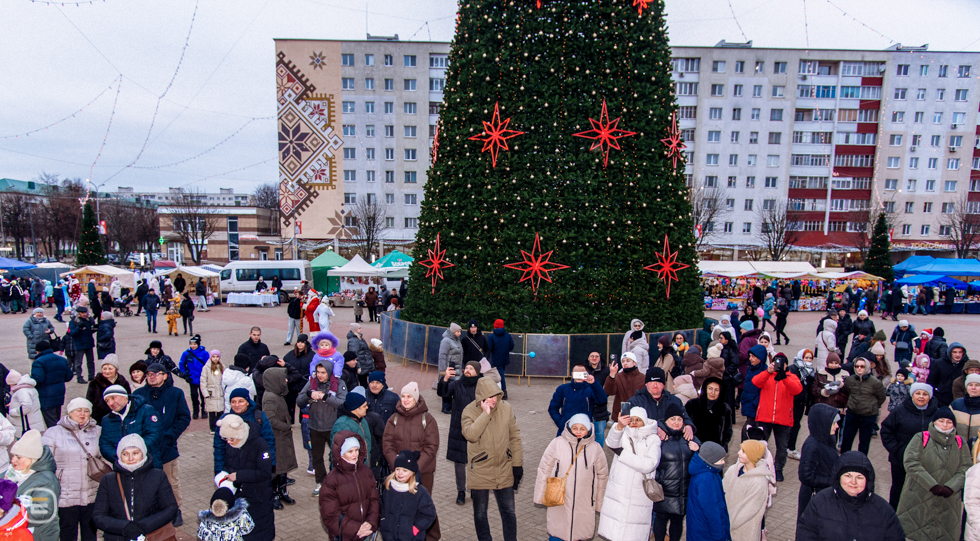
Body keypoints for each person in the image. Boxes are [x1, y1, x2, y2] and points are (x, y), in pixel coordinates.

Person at [461, 377, 522, 541]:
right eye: (489, 397)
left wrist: (517, 465)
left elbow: (515, 437)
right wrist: (485, 414)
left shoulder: (506, 408)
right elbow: (471, 435)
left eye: (495, 396)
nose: (493, 400)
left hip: (504, 468)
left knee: (509, 511)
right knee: (480, 512)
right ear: (481, 396)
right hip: (480, 470)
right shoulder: (469, 411)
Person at [897, 408, 971, 541]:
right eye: (941, 421)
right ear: (934, 422)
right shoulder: (921, 438)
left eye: (949, 422)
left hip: (949, 501)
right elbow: (911, 463)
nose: (944, 425)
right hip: (919, 496)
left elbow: (965, 468)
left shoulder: (960, 443)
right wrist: (932, 485)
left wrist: (951, 487)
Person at [796, 451, 905, 541]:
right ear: (838, 478)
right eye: (848, 475)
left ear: (868, 481)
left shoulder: (883, 510)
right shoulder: (820, 503)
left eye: (859, 477)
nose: (853, 482)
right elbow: (805, 535)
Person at [533, 413, 608, 541]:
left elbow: (602, 476)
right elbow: (544, 470)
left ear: (588, 429)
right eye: (575, 428)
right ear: (569, 428)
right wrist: (540, 496)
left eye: (582, 428)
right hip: (559, 499)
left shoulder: (595, 449)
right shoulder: (557, 444)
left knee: (581, 533)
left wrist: (600, 503)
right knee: (557, 533)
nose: (578, 432)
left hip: (584, 501)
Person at [382, 382, 441, 541]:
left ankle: (432, 536)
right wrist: (398, 465)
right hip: (399, 471)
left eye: (409, 396)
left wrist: (415, 468)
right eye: (403, 396)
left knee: (424, 504)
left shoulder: (427, 419)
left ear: (416, 398)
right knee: (400, 506)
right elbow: (387, 444)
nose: (406, 400)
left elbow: (432, 446)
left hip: (423, 471)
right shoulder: (393, 419)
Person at [133, 363, 190, 526]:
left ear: (165, 376)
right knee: (145, 483)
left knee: (171, 481)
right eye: (149, 374)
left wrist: (171, 435)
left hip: (167, 448)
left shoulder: (175, 393)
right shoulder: (138, 394)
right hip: (145, 449)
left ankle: (175, 510)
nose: (152, 376)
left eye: (156, 373)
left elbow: (184, 417)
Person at [92, 434, 179, 541]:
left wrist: (143, 526)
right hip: (117, 537)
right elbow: (98, 516)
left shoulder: (158, 476)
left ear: (143, 453)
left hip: (151, 535)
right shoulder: (108, 480)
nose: (130, 458)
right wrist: (125, 527)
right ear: (119, 455)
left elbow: (170, 508)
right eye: (125, 454)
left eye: (135, 453)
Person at [41, 397, 102, 541]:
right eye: (78, 410)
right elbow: (45, 461)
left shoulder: (98, 431)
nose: (82, 414)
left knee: (90, 533)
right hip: (65, 493)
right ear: (70, 412)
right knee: (67, 532)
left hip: (91, 492)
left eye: (86, 411)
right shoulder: (53, 432)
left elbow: (103, 457)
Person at [596, 406, 659, 541]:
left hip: (639, 493)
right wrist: (618, 426)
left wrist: (623, 455)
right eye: (632, 419)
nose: (634, 423)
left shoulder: (653, 439)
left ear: (645, 421)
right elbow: (611, 443)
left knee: (633, 533)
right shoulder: (624, 433)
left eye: (638, 420)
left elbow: (649, 465)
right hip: (619, 489)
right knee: (615, 530)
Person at [216, 414, 275, 541]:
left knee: (260, 531)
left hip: (259, 497)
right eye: (226, 439)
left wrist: (238, 476)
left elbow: (264, 473)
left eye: (231, 439)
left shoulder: (260, 444)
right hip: (239, 496)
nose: (229, 442)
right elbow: (228, 464)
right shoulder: (231, 444)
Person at [881, 382, 938, 509]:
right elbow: (886, 431)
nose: (921, 397)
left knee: (923, 489)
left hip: (927, 461)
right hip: (901, 460)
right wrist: (896, 449)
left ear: (930, 396)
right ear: (912, 395)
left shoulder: (937, 413)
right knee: (899, 488)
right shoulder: (900, 411)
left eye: (925, 394)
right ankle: (894, 515)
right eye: (918, 393)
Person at [652, 403, 701, 541]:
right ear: (665, 420)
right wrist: (658, 479)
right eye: (672, 419)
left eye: (679, 419)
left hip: (683, 491)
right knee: (661, 520)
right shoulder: (659, 437)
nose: (676, 422)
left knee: (677, 522)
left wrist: (698, 449)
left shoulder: (689, 437)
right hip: (664, 491)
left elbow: (703, 460)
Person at [751, 351, 803, 481]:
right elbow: (756, 382)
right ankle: (759, 466)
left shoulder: (791, 377)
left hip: (783, 418)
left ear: (786, 365)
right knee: (761, 444)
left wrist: (784, 376)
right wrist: (768, 372)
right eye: (776, 362)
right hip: (765, 416)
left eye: (781, 363)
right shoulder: (767, 375)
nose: (778, 365)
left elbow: (797, 390)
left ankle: (778, 468)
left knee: (782, 446)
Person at [297, 361, 346, 497]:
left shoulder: (339, 383)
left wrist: (325, 397)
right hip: (315, 426)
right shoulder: (312, 382)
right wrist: (308, 395)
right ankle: (321, 482)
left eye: (323, 372)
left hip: (333, 427)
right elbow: (299, 401)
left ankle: (337, 483)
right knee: (317, 457)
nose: (319, 375)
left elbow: (342, 404)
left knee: (336, 456)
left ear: (329, 372)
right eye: (318, 372)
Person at [319, 433, 380, 540]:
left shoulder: (367, 472)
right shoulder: (331, 480)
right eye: (350, 451)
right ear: (341, 454)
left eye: (356, 450)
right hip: (345, 535)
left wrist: (370, 522)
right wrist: (356, 529)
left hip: (366, 532)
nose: (355, 454)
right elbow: (330, 515)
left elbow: (374, 500)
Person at [438, 362, 482, 506]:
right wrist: (445, 380)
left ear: (477, 372)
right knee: (459, 461)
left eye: (471, 369)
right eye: (467, 368)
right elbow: (443, 393)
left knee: (476, 460)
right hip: (458, 427)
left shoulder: (482, 386)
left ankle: (475, 489)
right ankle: (461, 491)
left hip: (477, 428)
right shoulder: (457, 384)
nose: (468, 371)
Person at [8, 429, 61, 541]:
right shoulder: (13, 474)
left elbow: (43, 510)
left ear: (32, 458)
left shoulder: (46, 480)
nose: (12, 460)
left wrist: (8, 511)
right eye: (12, 456)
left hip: (38, 536)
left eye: (18, 457)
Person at [379, 450, 438, 541]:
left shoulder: (420, 492)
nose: (400, 473)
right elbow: (383, 508)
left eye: (404, 470)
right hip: (389, 536)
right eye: (397, 469)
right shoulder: (388, 488)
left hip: (411, 537)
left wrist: (417, 527)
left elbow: (429, 514)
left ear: (412, 472)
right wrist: (384, 523)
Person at [261, 367, 297, 508]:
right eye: (283, 378)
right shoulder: (270, 397)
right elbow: (268, 419)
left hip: (282, 438)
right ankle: (274, 494)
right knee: (276, 468)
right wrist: (285, 426)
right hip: (277, 437)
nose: (286, 380)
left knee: (283, 467)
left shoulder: (277, 394)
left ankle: (282, 491)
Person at [796, 403, 840, 518]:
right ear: (824, 423)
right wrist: (832, 481)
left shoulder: (828, 439)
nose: (837, 426)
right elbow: (806, 476)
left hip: (823, 494)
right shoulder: (812, 446)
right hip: (813, 496)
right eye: (834, 423)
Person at [723, 440, 771, 541]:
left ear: (752, 455)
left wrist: (724, 524)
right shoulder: (733, 470)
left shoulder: (759, 482)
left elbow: (747, 511)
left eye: (743, 451)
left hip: (744, 533)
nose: (738, 452)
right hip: (725, 528)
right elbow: (721, 494)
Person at [840, 357, 885, 455]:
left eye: (862, 366)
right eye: (857, 366)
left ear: (867, 367)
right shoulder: (850, 380)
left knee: (864, 441)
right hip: (852, 413)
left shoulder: (875, 382)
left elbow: (881, 397)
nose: (859, 368)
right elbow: (847, 392)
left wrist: (871, 406)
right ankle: (844, 459)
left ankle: (862, 462)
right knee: (847, 438)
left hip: (868, 415)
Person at [685, 441, 730, 541]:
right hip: (706, 530)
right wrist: (718, 535)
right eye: (721, 459)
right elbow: (710, 509)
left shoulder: (706, 471)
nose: (724, 462)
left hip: (699, 526)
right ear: (711, 460)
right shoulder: (706, 478)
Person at [547, 363, 607, 436]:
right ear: (572, 374)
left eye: (581, 372)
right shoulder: (562, 389)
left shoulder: (591, 389)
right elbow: (553, 408)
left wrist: (594, 383)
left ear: (586, 373)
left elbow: (602, 400)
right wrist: (561, 423)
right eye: (576, 372)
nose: (579, 375)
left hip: (584, 431)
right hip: (566, 430)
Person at [29, 340, 73, 429]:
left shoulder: (38, 362)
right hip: (59, 394)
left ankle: (57, 440)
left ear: (38, 351)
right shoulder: (62, 359)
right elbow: (69, 376)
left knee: (52, 424)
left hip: (46, 396)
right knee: (57, 419)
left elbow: (38, 379)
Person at [685, 377, 732, 451]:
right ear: (705, 389)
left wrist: (722, 447)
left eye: (716, 390)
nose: (712, 393)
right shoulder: (692, 405)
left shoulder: (724, 408)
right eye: (710, 388)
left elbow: (728, 431)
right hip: (694, 449)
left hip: (714, 451)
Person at [85, 356, 131, 426]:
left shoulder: (123, 382)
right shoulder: (94, 383)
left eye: (110, 369)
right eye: (104, 369)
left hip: (120, 417)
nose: (107, 371)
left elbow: (128, 399)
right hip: (100, 418)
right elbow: (89, 401)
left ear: (116, 369)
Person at [930, 341, 969, 408]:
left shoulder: (967, 365)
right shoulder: (939, 363)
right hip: (941, 399)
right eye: (955, 352)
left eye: (960, 352)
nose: (958, 355)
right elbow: (931, 381)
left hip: (960, 399)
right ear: (950, 352)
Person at [179, 335, 209, 420]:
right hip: (192, 378)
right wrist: (185, 375)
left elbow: (207, 365)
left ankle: (204, 411)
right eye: (191, 344)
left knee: (203, 395)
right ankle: (196, 411)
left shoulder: (204, 353)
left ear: (198, 344)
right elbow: (181, 364)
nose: (193, 346)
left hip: (202, 378)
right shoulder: (186, 353)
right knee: (193, 395)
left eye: (194, 344)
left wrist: (206, 375)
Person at [7, 371, 43, 437]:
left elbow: (26, 406)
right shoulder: (28, 388)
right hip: (32, 423)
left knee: (25, 444)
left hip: (26, 426)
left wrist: (12, 412)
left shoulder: (22, 391)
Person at [437, 323, 463, 414]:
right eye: (458, 331)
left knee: (453, 387)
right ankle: (445, 407)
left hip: (456, 369)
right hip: (449, 369)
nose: (459, 333)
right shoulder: (446, 341)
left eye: (460, 331)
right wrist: (443, 371)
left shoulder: (457, 341)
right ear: (453, 332)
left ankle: (451, 406)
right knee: (446, 387)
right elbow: (442, 356)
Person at [68, 306, 97, 383]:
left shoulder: (87, 320)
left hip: (89, 343)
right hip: (79, 345)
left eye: (85, 312)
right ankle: (79, 377)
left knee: (91, 361)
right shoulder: (74, 321)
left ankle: (91, 376)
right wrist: (79, 327)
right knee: (78, 362)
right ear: (78, 313)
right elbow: (72, 333)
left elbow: (91, 327)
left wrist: (94, 328)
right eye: (82, 313)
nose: (84, 314)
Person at [486, 319, 514, 398]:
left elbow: (490, 348)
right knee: (501, 374)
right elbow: (511, 345)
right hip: (505, 357)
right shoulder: (507, 335)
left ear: (494, 326)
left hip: (496, 358)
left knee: (499, 375)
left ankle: (503, 391)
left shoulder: (492, 336)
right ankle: (501, 390)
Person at [952, 373, 980, 447]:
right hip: (958, 447)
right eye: (970, 385)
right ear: (966, 387)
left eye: (977, 385)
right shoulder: (956, 405)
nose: (973, 388)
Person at [203, 350, 225, 433]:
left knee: (220, 410)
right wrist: (205, 393)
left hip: (220, 392)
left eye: (217, 356)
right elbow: (203, 381)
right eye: (213, 356)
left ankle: (219, 427)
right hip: (211, 392)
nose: (215, 358)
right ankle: (212, 428)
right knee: (211, 411)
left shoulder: (222, 367)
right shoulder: (206, 368)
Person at [346, 323, 374, 389]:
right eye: (359, 328)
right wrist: (358, 366)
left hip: (363, 363)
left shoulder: (358, 338)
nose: (361, 330)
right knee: (363, 381)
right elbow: (354, 354)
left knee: (364, 381)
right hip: (361, 364)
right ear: (355, 330)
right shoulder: (354, 340)